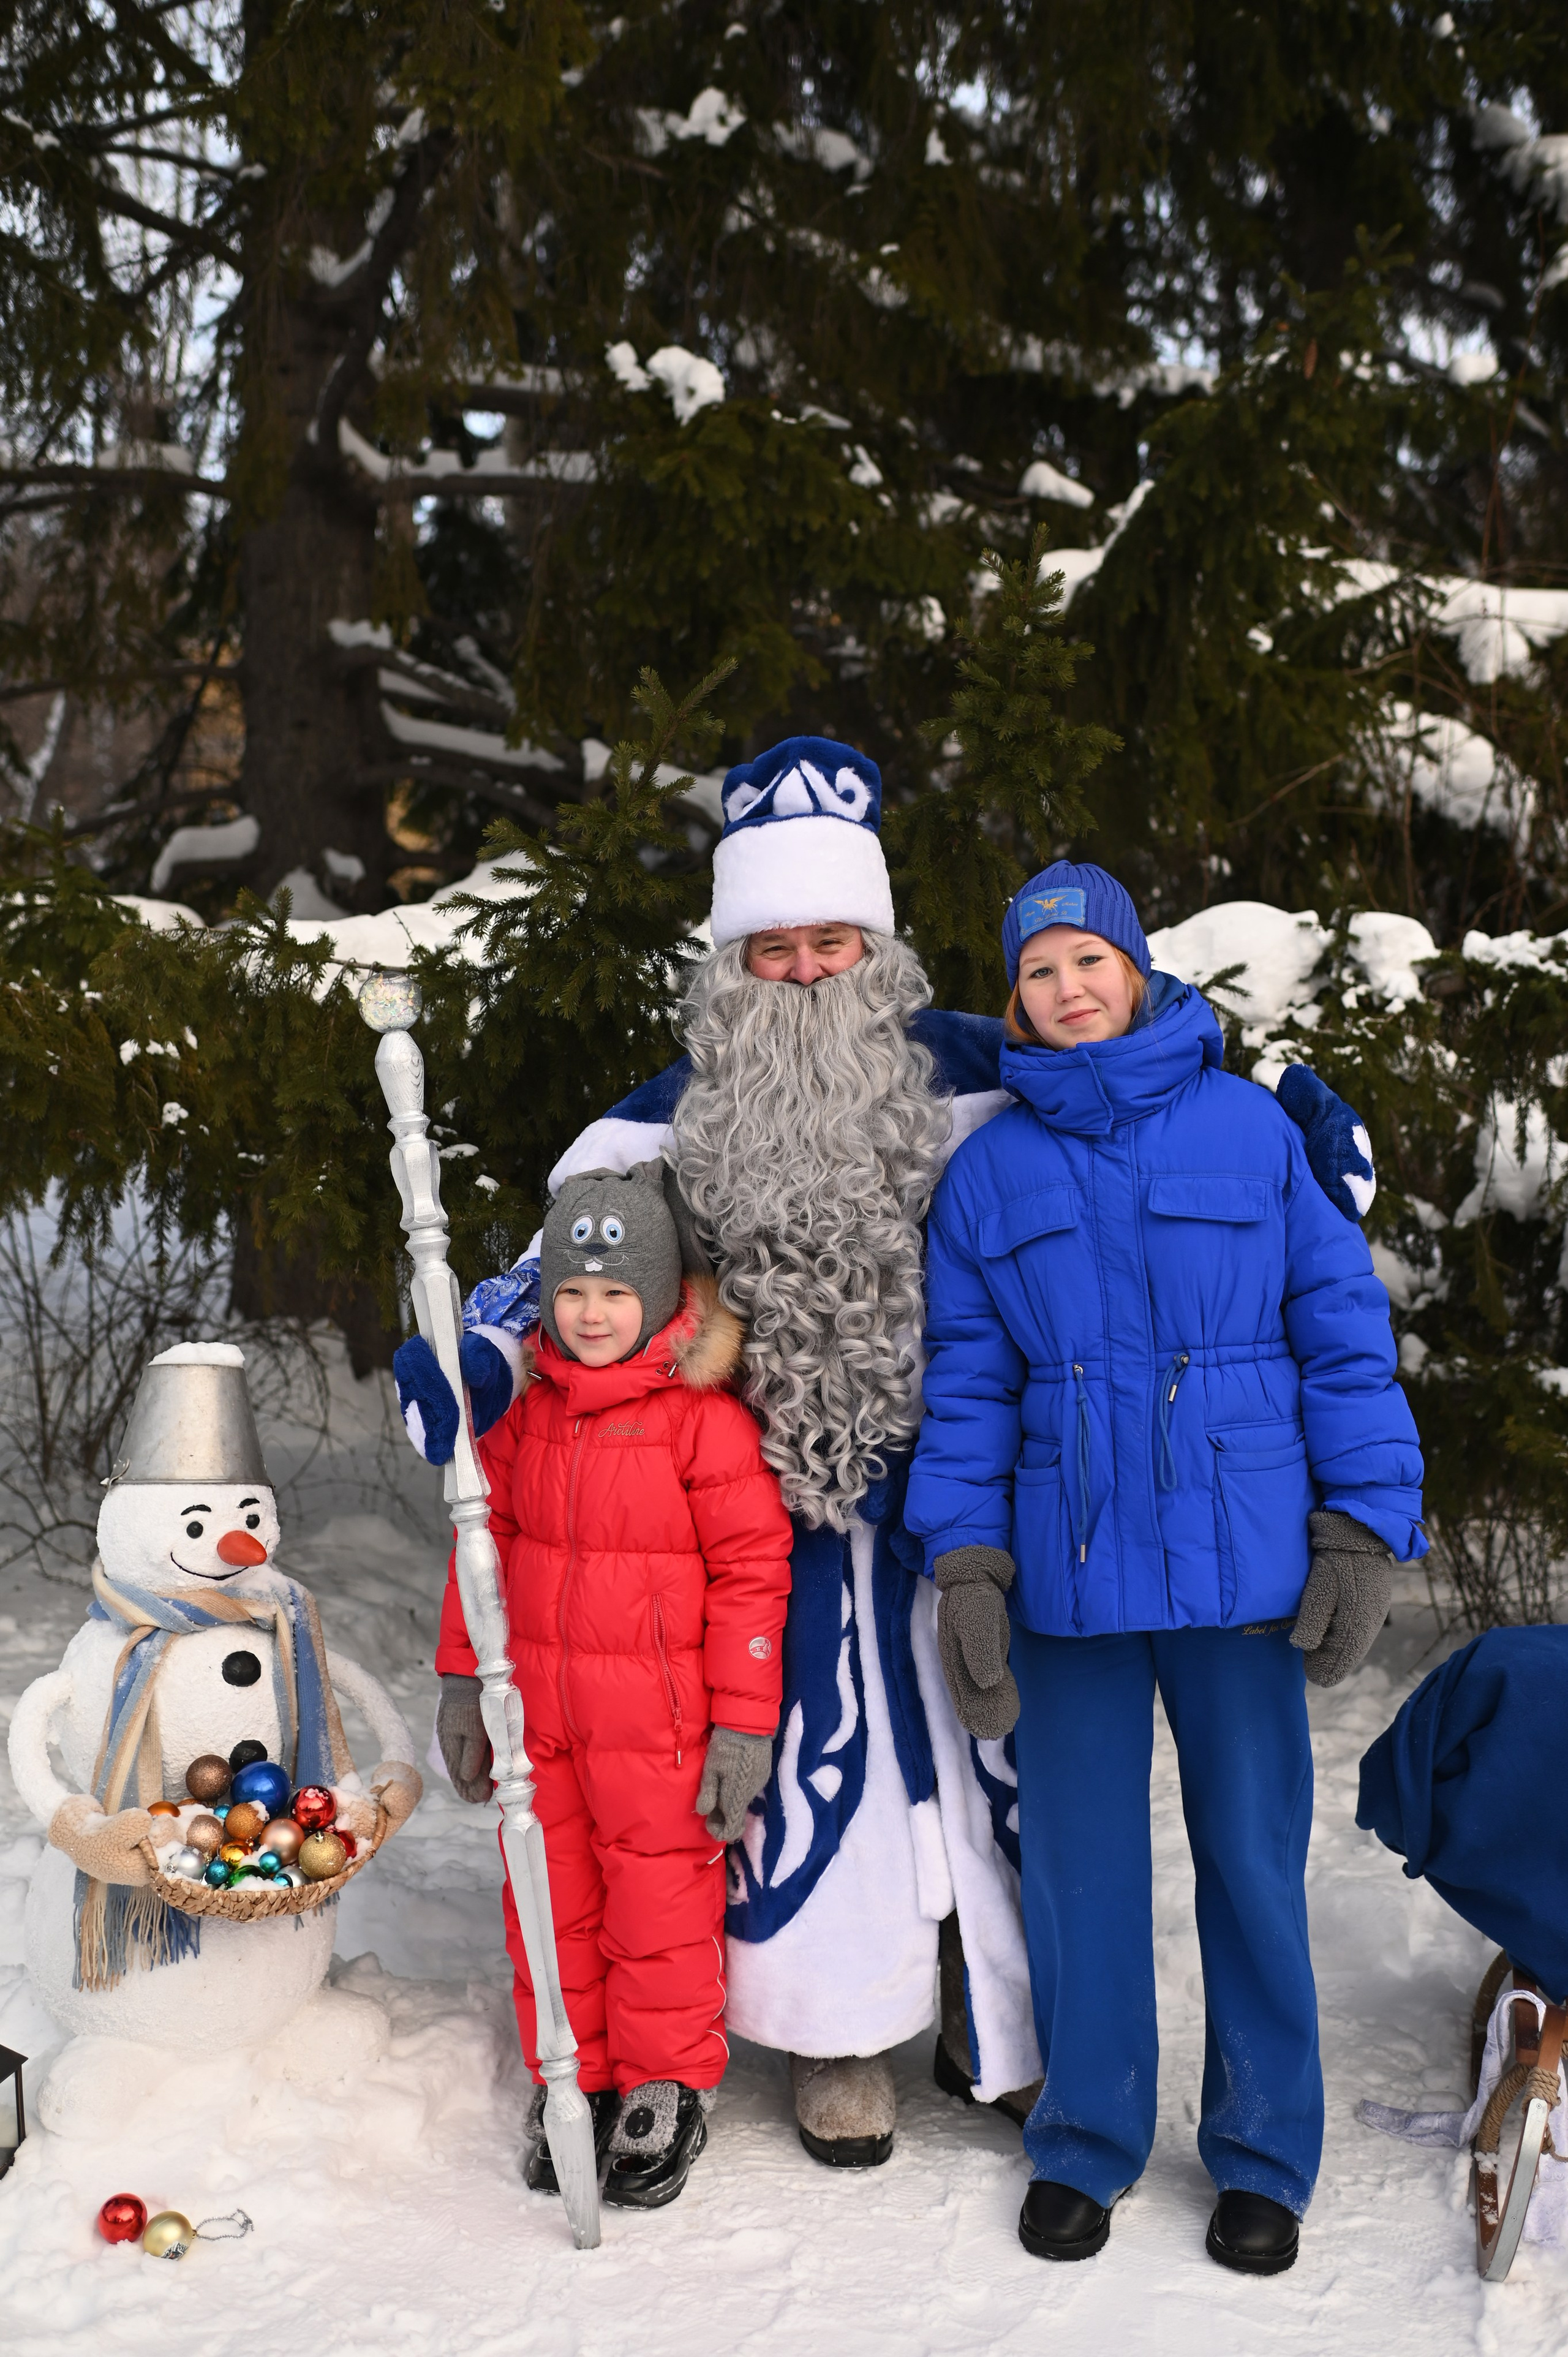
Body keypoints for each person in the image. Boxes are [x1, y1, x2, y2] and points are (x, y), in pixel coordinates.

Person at [398, 749, 1381, 2171]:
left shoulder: (987, 1069)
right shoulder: (665, 1117)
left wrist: (1300, 1119)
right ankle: (836, 2037)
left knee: (1011, 1775)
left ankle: (1011, 2035)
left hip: (976, 1494)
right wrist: (476, 1358)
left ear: (877, 949)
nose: (802, 972)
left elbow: (1151, 1097)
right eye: (773, 946)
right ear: (733, 960)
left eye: (830, 943)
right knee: (817, 1777)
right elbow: (559, 1273)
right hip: (767, 1514)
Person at [904, 862, 1425, 2275]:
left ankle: (1262, 2152)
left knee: (1251, 1863)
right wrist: (963, 1560)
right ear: (1010, 998)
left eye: (1087, 961)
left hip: (1243, 1568)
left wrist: (1363, 1518)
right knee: (1074, 1869)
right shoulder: (988, 1171)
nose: (1065, 991)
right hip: (1065, 1580)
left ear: (1133, 969)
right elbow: (962, 1382)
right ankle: (1084, 2136)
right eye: (1036, 973)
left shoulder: (1250, 1134)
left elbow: (1336, 1329)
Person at [432, 1160, 793, 2208]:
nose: (592, 1316)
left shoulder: (698, 1420)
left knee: (658, 1906)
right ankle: (575, 2076)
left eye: (616, 1294)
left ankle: (663, 2086)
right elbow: (480, 1546)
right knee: (551, 1899)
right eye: (574, 1294)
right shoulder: (520, 1414)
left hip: (663, 1728)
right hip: (539, 1718)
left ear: (662, 1297)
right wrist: (464, 1679)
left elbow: (751, 1576)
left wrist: (744, 1725)